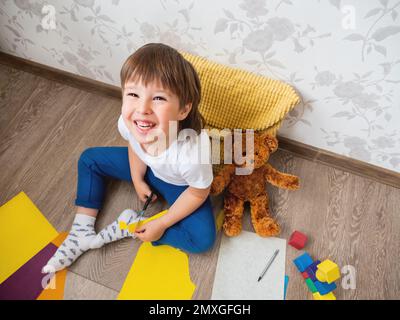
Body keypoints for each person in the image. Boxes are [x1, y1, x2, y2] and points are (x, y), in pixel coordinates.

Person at [43, 43, 216, 273]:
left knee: (203, 240)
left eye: (159, 99)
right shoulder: (131, 121)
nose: (142, 108)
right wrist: (137, 178)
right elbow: (134, 145)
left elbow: (198, 192)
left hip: (181, 186)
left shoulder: (193, 153)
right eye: (133, 94)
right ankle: (80, 232)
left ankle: (134, 225)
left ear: (183, 110)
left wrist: (161, 224)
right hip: (148, 168)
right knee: (89, 159)